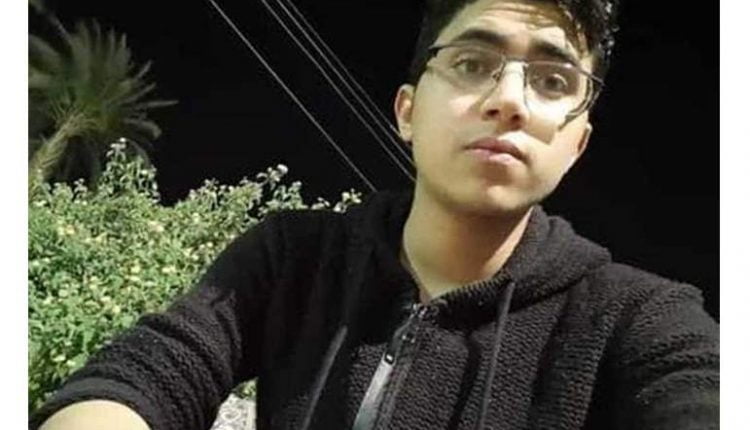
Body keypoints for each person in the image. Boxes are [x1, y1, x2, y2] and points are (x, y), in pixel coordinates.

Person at [31, 0, 719, 429]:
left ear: (576, 144)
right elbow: (145, 376)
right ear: (408, 112)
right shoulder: (294, 257)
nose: (509, 100)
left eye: (552, 80)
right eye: (472, 63)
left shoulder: (637, 318)